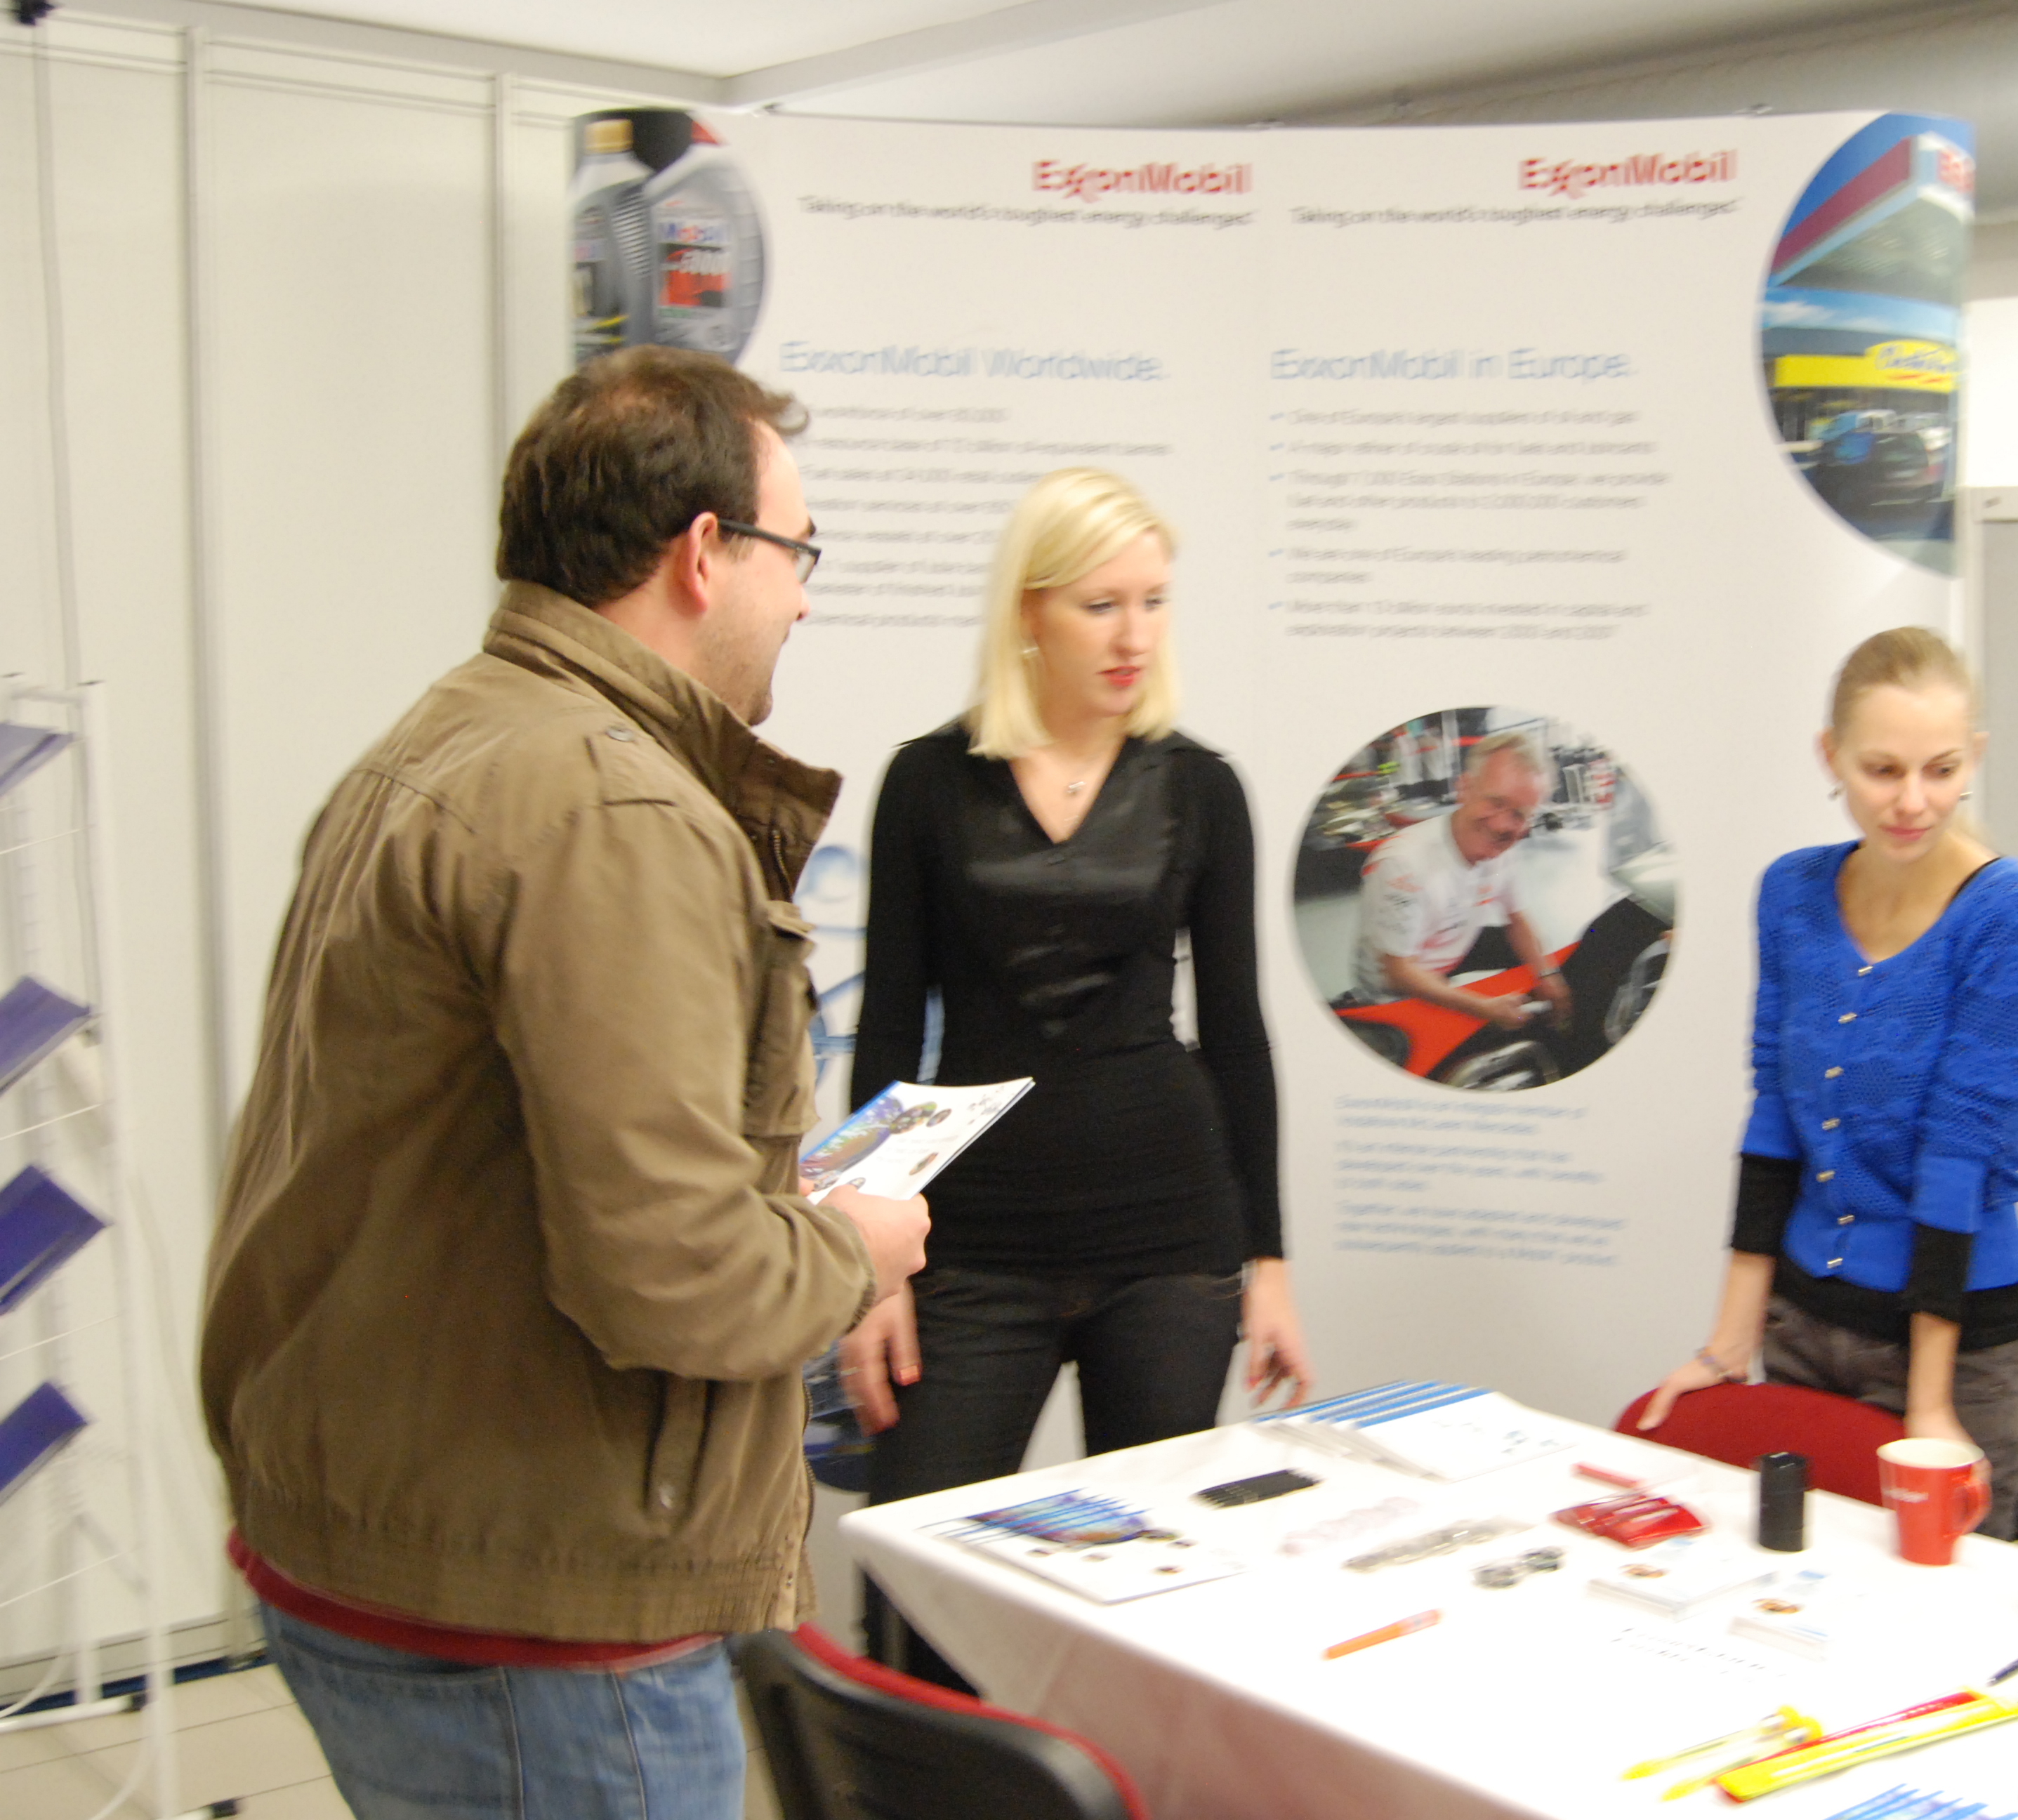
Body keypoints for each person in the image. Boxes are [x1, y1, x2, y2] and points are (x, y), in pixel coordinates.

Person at [199, 347, 930, 1820]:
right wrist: (851, 1250)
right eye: (797, 554)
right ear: (704, 552)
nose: (803, 598)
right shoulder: (614, 809)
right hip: (539, 1623)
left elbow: (493, 1154)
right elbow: (671, 1275)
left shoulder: (451, 739)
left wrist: (752, 1194)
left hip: (391, 1544)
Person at [846, 468, 1310, 1675]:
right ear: (1029, 612)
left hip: (1168, 1238)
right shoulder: (926, 782)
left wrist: (1268, 1264)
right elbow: (888, 1030)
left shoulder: (1201, 787)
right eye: (1101, 605)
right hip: (970, 1239)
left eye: (1153, 602)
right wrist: (866, 1262)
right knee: (916, 1595)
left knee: (1144, 1600)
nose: (1133, 636)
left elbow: (1238, 1035)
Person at [1635, 626, 2018, 1536]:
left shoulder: (2007, 917)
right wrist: (1729, 1342)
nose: (1913, 802)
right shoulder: (1791, 894)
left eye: (1941, 771)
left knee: (1940, 1607)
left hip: (1954, 1346)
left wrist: (1929, 1405)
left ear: (1974, 757)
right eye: (1882, 771)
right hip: (1802, 1324)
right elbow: (1774, 1120)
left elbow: (1958, 1156)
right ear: (1829, 757)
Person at [1347, 730, 1575, 1033]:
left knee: (1541, 957)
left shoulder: (1502, 850)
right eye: (1495, 802)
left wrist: (1547, 975)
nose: (1502, 825)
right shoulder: (1403, 865)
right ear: (1464, 788)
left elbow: (1517, 917)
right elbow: (1397, 973)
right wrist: (1483, 1008)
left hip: (1443, 952)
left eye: (1519, 814)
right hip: (1392, 993)